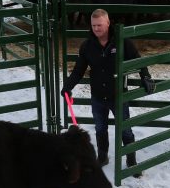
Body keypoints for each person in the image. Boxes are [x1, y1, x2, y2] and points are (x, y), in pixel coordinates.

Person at [61, 9, 155, 177]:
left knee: (125, 129)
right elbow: (78, 70)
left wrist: (145, 77)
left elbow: (138, 60)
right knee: (100, 128)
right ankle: (102, 157)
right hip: (98, 96)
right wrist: (68, 86)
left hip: (118, 95)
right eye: (93, 25)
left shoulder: (122, 42)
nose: (96, 28)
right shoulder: (87, 46)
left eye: (100, 25)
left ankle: (131, 160)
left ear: (108, 23)